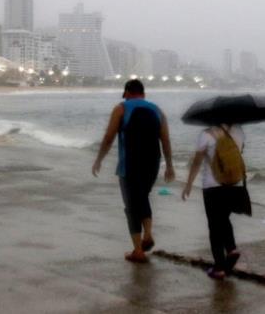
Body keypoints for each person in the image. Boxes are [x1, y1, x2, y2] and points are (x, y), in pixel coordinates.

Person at [92, 80, 175, 263]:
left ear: (128, 92)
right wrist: (169, 165)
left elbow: (109, 136)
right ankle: (148, 234)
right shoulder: (157, 110)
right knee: (142, 196)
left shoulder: (121, 108)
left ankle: (138, 249)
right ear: (143, 94)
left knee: (131, 204)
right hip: (153, 163)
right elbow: (166, 140)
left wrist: (99, 159)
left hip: (129, 164)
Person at [181, 124, 249, 280]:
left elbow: (197, 162)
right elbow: (240, 152)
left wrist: (189, 184)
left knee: (214, 225)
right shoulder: (238, 131)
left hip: (212, 186)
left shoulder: (206, 134)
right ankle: (231, 249)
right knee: (224, 219)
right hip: (234, 185)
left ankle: (219, 268)